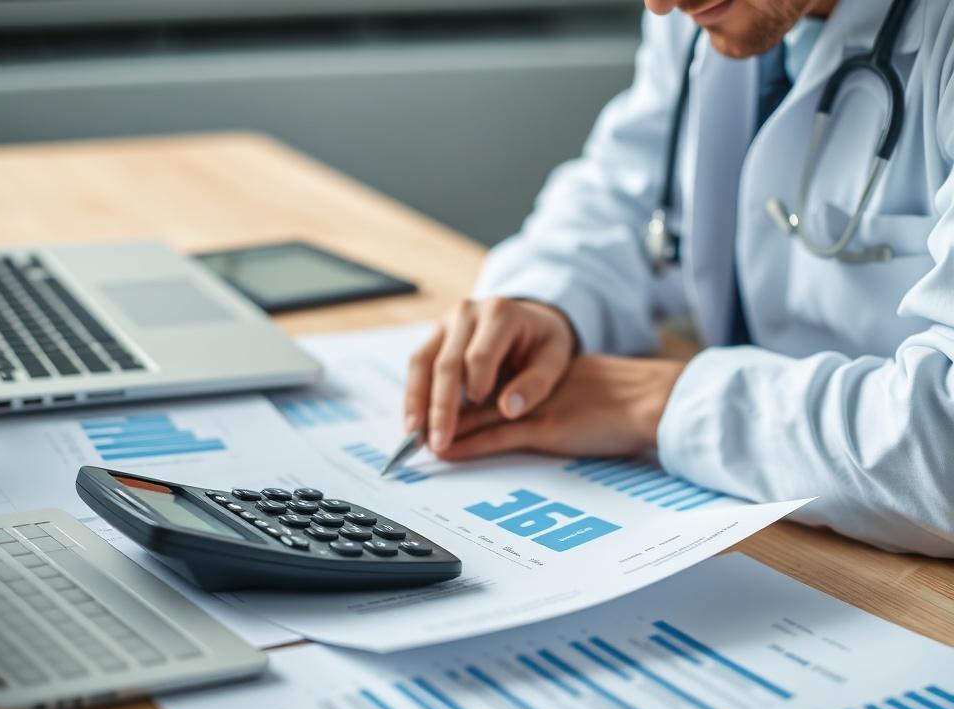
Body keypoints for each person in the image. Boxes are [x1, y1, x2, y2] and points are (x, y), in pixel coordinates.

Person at [403, 0, 954, 557]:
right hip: (779, 526)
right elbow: (627, 191)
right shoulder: (711, 13)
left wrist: (660, 402)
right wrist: (546, 303)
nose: (662, 4)